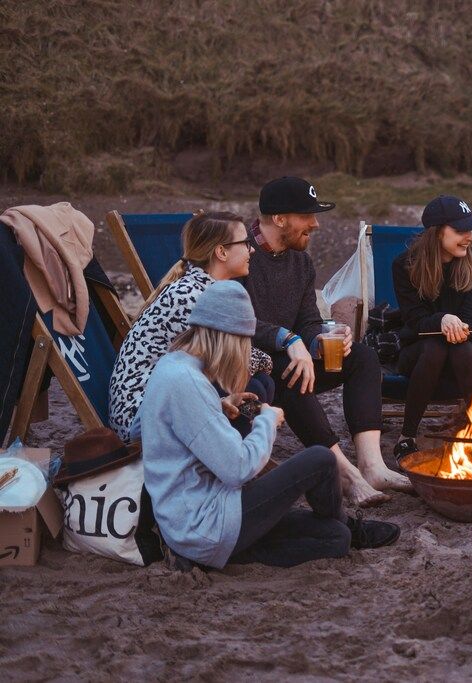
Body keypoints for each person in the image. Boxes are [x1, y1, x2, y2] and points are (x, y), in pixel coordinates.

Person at [139, 281, 400, 570]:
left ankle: (335, 529)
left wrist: (220, 406)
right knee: (320, 459)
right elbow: (237, 468)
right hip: (205, 523)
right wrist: (267, 421)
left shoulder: (175, 367)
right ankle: (347, 521)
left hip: (200, 523)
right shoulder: (185, 382)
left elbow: (182, 430)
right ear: (228, 337)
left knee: (335, 539)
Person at [242, 176, 412, 506]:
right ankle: (346, 475)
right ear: (280, 219)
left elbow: (307, 319)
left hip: (296, 356)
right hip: (251, 365)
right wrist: (289, 340)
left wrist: (322, 337)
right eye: (307, 216)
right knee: (289, 372)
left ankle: (372, 465)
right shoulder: (240, 254)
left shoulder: (301, 262)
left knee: (363, 357)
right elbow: (236, 320)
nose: (316, 224)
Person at [109, 211, 274, 442]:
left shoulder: (199, 288)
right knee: (253, 383)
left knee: (259, 385)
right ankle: (231, 454)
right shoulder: (190, 296)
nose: (252, 249)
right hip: (142, 419)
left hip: (166, 399)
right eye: (246, 243)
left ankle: (233, 449)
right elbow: (233, 360)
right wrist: (272, 356)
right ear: (221, 251)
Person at [391, 195, 472, 459]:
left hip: (465, 354)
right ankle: (408, 435)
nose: (469, 237)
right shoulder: (405, 265)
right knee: (435, 347)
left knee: (460, 349)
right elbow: (414, 320)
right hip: (419, 355)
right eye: (460, 230)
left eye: (470, 230)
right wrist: (442, 319)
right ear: (437, 233)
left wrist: (457, 326)